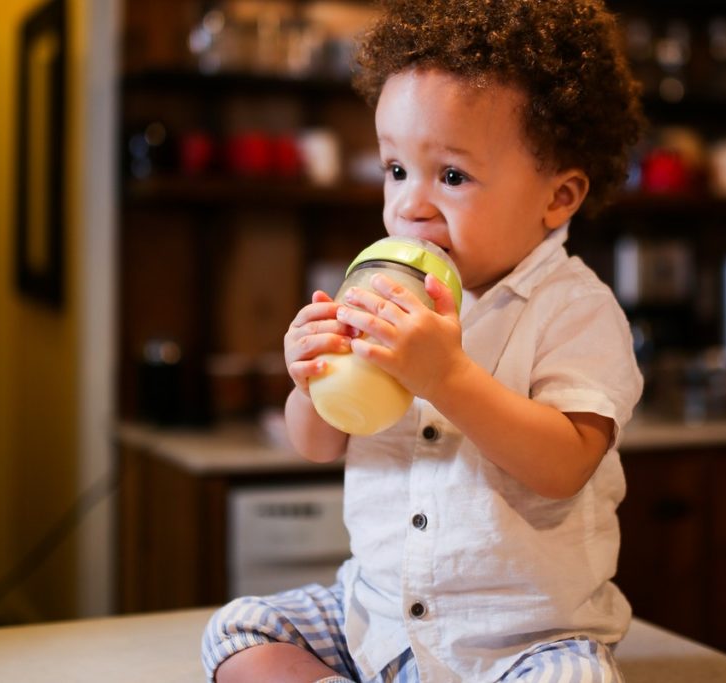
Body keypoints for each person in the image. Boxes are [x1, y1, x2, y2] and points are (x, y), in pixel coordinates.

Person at [202, 0, 644, 680]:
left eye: (454, 176)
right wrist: (309, 380)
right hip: (375, 620)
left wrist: (447, 377)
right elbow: (319, 443)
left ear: (558, 197)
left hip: (521, 641)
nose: (410, 204)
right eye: (395, 169)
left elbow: (564, 466)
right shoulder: (382, 293)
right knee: (239, 631)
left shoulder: (574, 309)